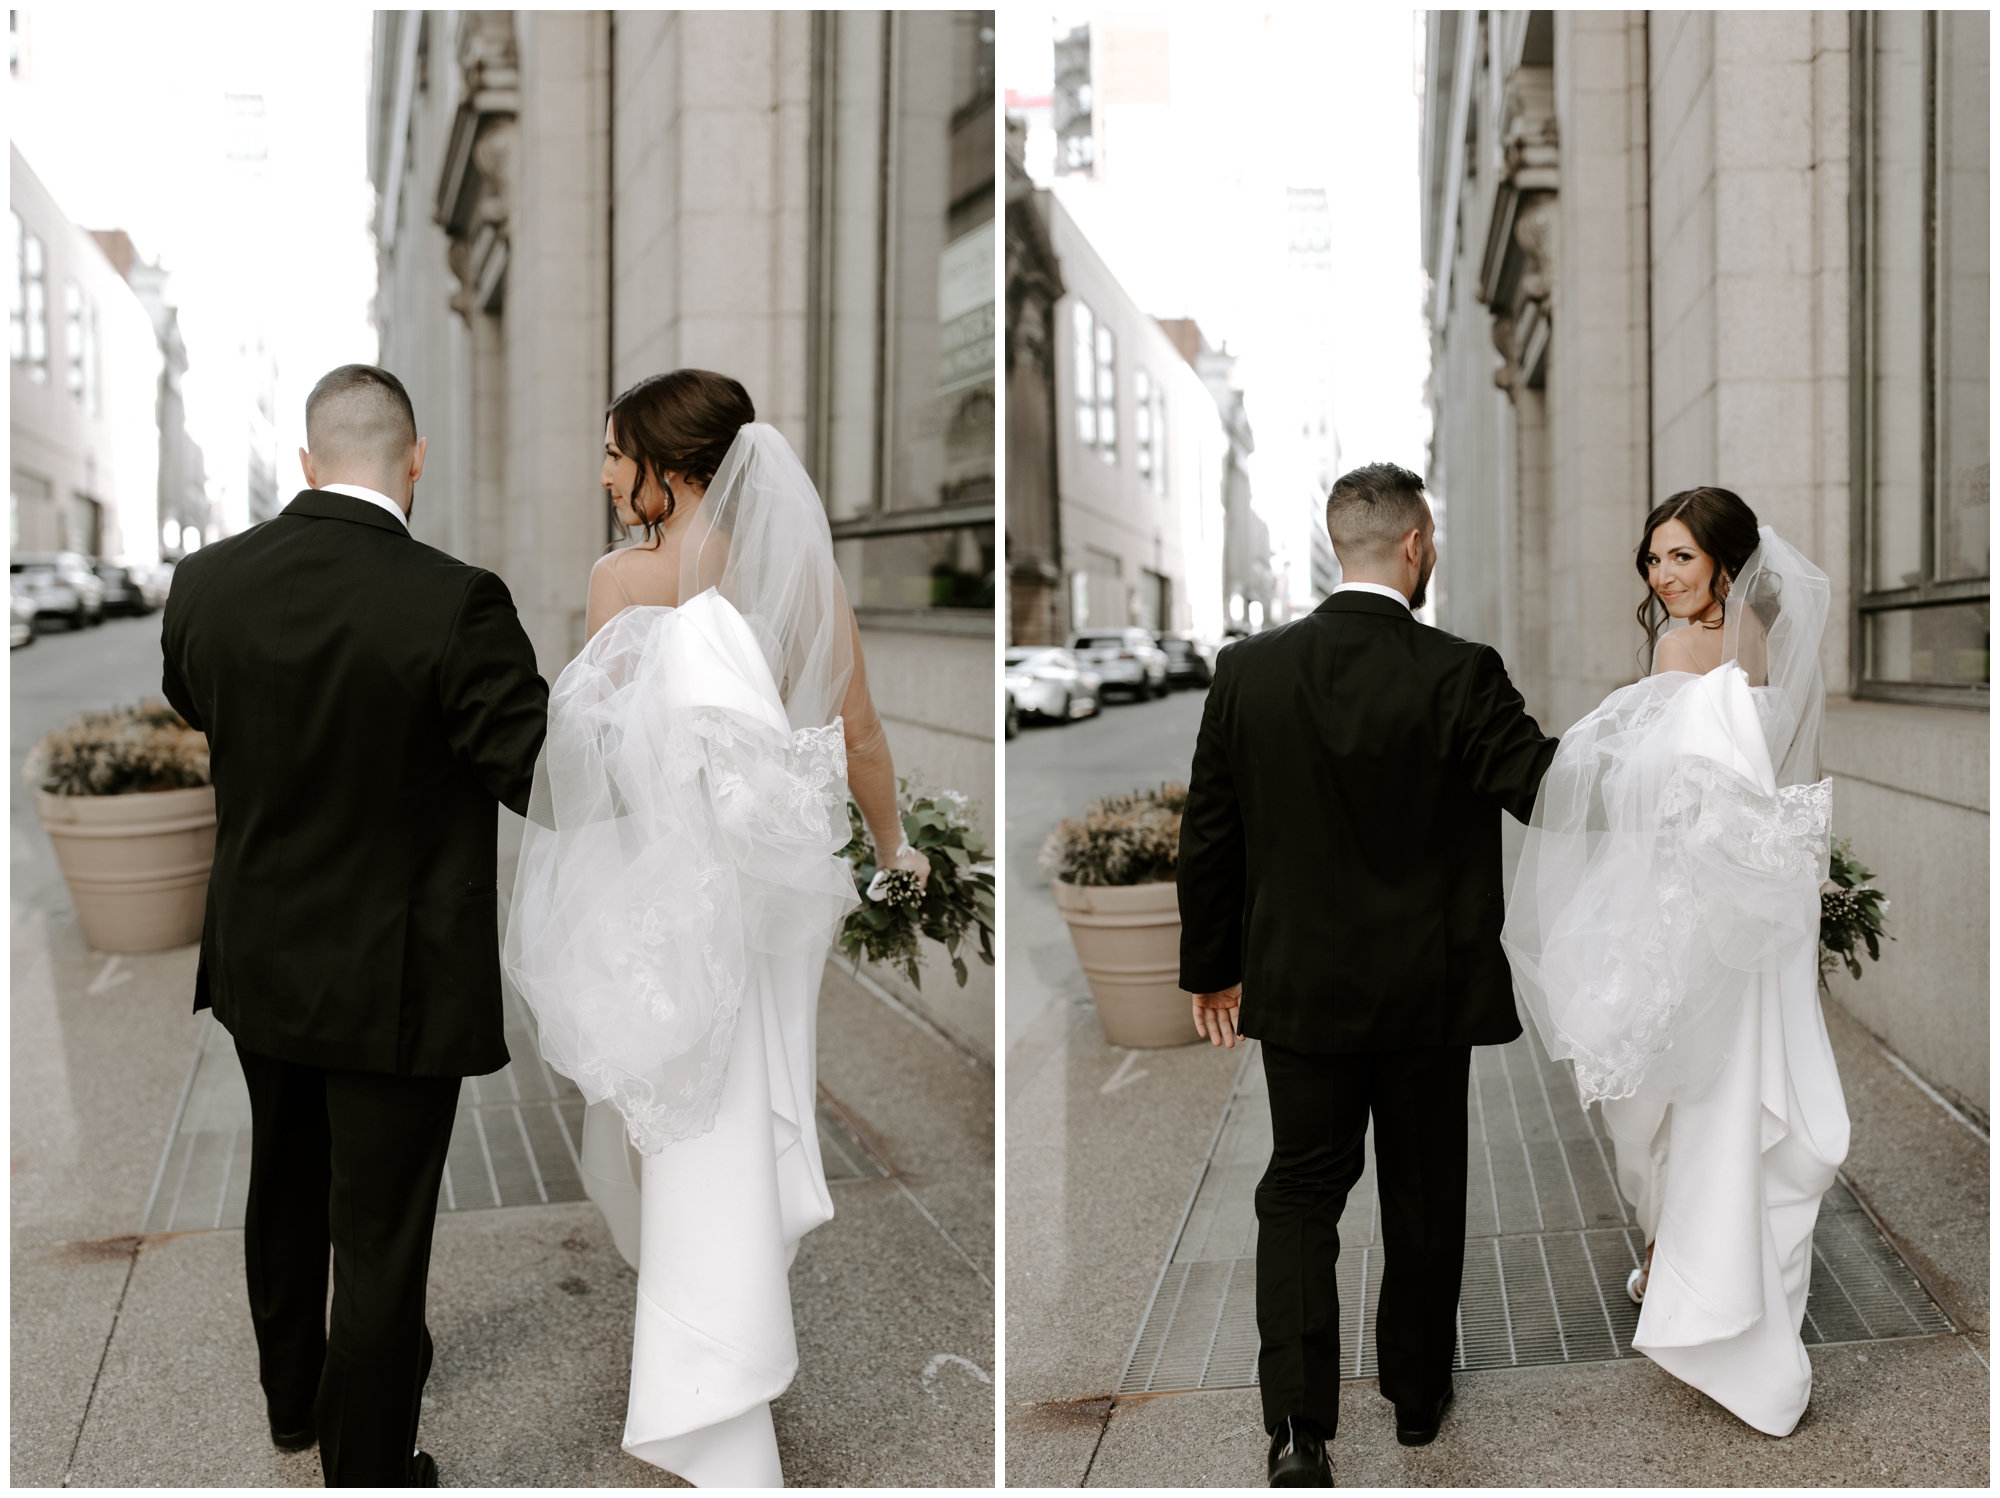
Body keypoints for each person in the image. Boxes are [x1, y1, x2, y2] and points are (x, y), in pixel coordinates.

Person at [504, 370, 929, 1486]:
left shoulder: (618, 580)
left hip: (669, 898)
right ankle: (722, 1362)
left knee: (685, 1130)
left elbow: (599, 761)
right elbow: (861, 727)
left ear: (670, 465)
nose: (600, 474)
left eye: (612, 454)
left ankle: (704, 1373)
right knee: (742, 1113)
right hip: (762, 902)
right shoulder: (790, 570)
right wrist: (896, 850)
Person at [160, 365, 550, 1487]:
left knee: (281, 1179)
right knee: (378, 1231)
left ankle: (294, 1403)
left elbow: (199, 700)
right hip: (394, 973)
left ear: (306, 462)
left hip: (260, 957)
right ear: (414, 460)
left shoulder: (207, 583)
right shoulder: (455, 599)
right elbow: (531, 769)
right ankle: (371, 1468)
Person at [1177, 462, 1559, 1487]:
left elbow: (1207, 833)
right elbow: (1541, 786)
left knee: (1298, 1190)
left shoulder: (1245, 670)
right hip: (1427, 990)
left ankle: (1297, 1429)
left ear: (1336, 545)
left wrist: (1210, 969)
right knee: (1422, 1189)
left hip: (1298, 986)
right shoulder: (1460, 671)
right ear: (1414, 546)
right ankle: (1416, 1393)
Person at [1503, 487, 1842, 1437]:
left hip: (1701, 913)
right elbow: (1756, 787)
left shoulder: (1679, 651)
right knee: (1735, 1097)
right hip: (1751, 917)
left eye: (1681, 559)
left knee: (1675, 1102)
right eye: (1654, 560)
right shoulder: (1765, 649)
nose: (1662, 577)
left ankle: (1694, 1288)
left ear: (1725, 565)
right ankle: (1715, 1283)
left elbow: (1668, 797)